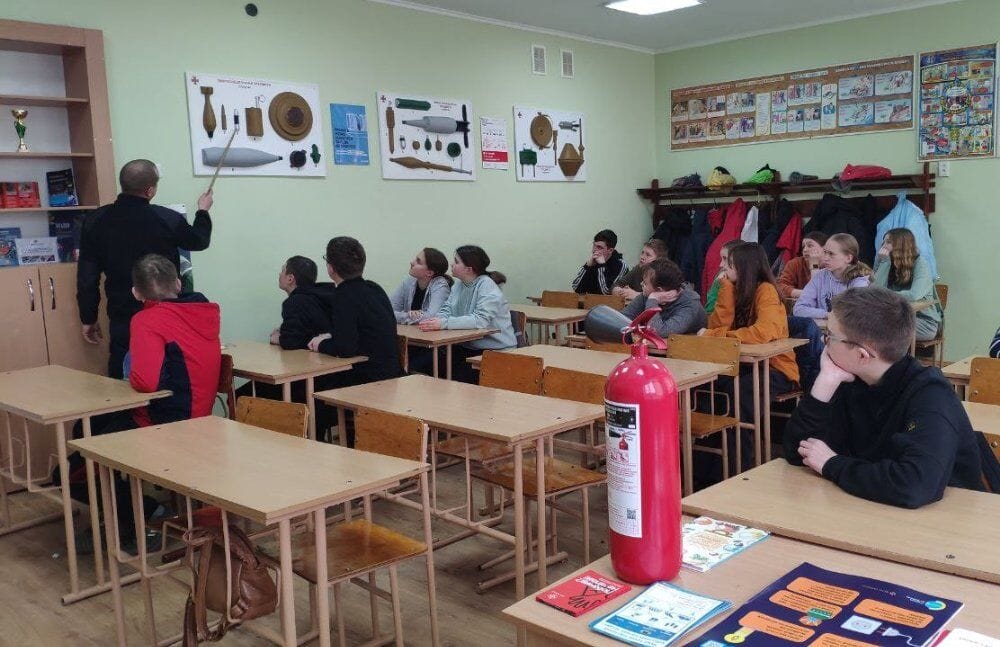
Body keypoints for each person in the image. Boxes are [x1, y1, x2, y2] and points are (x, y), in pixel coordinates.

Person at [62, 254, 221, 551]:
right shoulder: (205, 311)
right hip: (198, 418)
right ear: (178, 283)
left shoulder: (148, 320)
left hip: (163, 425)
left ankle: (138, 521)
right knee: (87, 429)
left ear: (136, 293)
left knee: (74, 468)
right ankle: (131, 516)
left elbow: (145, 382)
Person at [783, 287, 992, 508]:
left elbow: (914, 486)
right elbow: (798, 452)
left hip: (943, 520)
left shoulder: (931, 395)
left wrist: (832, 464)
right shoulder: (849, 378)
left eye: (830, 336)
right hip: (874, 507)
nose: (824, 341)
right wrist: (824, 383)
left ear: (862, 355)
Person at [77, 159, 213, 378]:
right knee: (166, 372)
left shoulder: (96, 220)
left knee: (122, 375)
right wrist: (203, 211)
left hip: (122, 313)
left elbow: (87, 277)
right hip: (164, 313)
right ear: (150, 190)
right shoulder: (167, 218)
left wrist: (88, 318)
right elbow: (199, 241)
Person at [700, 243, 799, 470]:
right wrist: (725, 289)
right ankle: (707, 466)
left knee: (742, 394)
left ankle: (737, 467)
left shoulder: (766, 290)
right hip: (743, 364)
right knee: (710, 385)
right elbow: (716, 325)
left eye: (729, 264)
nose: (723, 268)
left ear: (745, 267)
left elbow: (763, 332)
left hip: (776, 368)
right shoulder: (733, 289)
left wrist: (718, 335)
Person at [307, 237, 402, 439]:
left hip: (369, 379)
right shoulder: (374, 288)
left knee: (311, 402)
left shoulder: (344, 295)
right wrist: (331, 336)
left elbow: (345, 349)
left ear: (331, 268)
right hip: (392, 372)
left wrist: (321, 344)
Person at [417, 245, 516, 383]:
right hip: (467, 346)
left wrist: (444, 324)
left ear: (469, 269)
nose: (452, 264)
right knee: (422, 363)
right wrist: (436, 321)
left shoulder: (487, 286)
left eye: (456, 262)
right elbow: (446, 309)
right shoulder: (459, 285)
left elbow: (480, 320)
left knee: (455, 377)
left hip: (494, 350)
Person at [873, 228, 941, 341]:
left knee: (878, 326)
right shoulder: (888, 262)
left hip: (923, 323)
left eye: (888, 242)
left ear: (901, 245)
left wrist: (885, 294)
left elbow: (914, 295)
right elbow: (874, 292)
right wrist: (884, 262)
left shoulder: (920, 264)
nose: (883, 246)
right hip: (897, 317)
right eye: (883, 242)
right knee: (867, 321)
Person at [793, 233, 871, 319]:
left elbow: (854, 314)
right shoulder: (819, 276)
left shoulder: (859, 281)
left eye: (831, 254)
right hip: (822, 326)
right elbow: (798, 309)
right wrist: (827, 315)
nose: (825, 258)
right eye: (825, 252)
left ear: (848, 258)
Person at [621, 258, 706, 336]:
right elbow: (621, 321)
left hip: (687, 346)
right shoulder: (646, 295)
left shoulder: (690, 304)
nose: (641, 284)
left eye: (645, 284)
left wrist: (653, 300)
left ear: (659, 290)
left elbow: (659, 332)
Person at [390, 247, 452, 324]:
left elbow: (433, 317)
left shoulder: (440, 285)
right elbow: (388, 311)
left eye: (418, 262)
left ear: (429, 273)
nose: (412, 262)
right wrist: (409, 315)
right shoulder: (409, 281)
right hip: (411, 330)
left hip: (429, 332)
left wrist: (404, 317)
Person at [571, 229, 629, 295]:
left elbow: (607, 293)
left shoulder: (620, 265)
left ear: (610, 250)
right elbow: (576, 288)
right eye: (594, 245)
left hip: (608, 302)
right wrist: (587, 266)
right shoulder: (593, 261)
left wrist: (601, 266)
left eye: (599, 247)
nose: (594, 250)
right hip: (589, 300)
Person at [777, 231, 828, 299]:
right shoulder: (795, 263)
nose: (805, 250)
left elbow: (818, 290)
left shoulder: (832, 265)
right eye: (803, 246)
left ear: (825, 249)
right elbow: (780, 286)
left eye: (810, 245)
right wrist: (804, 293)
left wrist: (814, 264)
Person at [704, 239, 741, 315]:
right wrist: (717, 287)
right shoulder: (721, 278)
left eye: (725, 259)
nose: (721, 264)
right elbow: (709, 312)